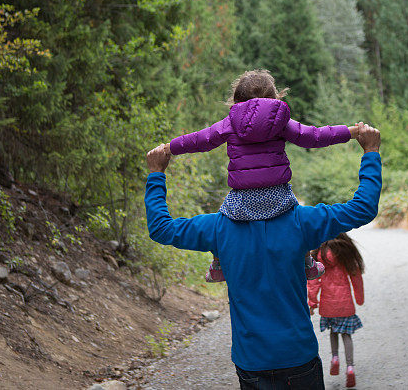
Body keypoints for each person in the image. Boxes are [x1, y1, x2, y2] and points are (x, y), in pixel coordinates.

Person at [144, 122, 381, 389]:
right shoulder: (303, 222)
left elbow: (161, 229)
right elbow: (363, 208)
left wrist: (156, 174)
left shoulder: (218, 228)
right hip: (298, 356)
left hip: (251, 361)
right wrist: (370, 152)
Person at [161, 70, 359, 283]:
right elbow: (314, 136)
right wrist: (350, 132)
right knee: (297, 222)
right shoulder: (281, 121)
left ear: (236, 99)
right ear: (275, 97)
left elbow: (200, 139)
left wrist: (169, 148)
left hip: (242, 200)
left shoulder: (230, 123)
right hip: (279, 198)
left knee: (221, 223)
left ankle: (218, 264)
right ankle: (307, 263)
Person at [307, 233, 365, 388]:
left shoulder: (320, 254)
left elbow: (314, 282)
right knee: (346, 335)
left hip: (328, 305)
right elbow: (356, 276)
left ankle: (334, 358)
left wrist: (312, 303)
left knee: (333, 331)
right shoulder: (345, 253)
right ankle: (350, 367)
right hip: (345, 304)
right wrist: (359, 297)